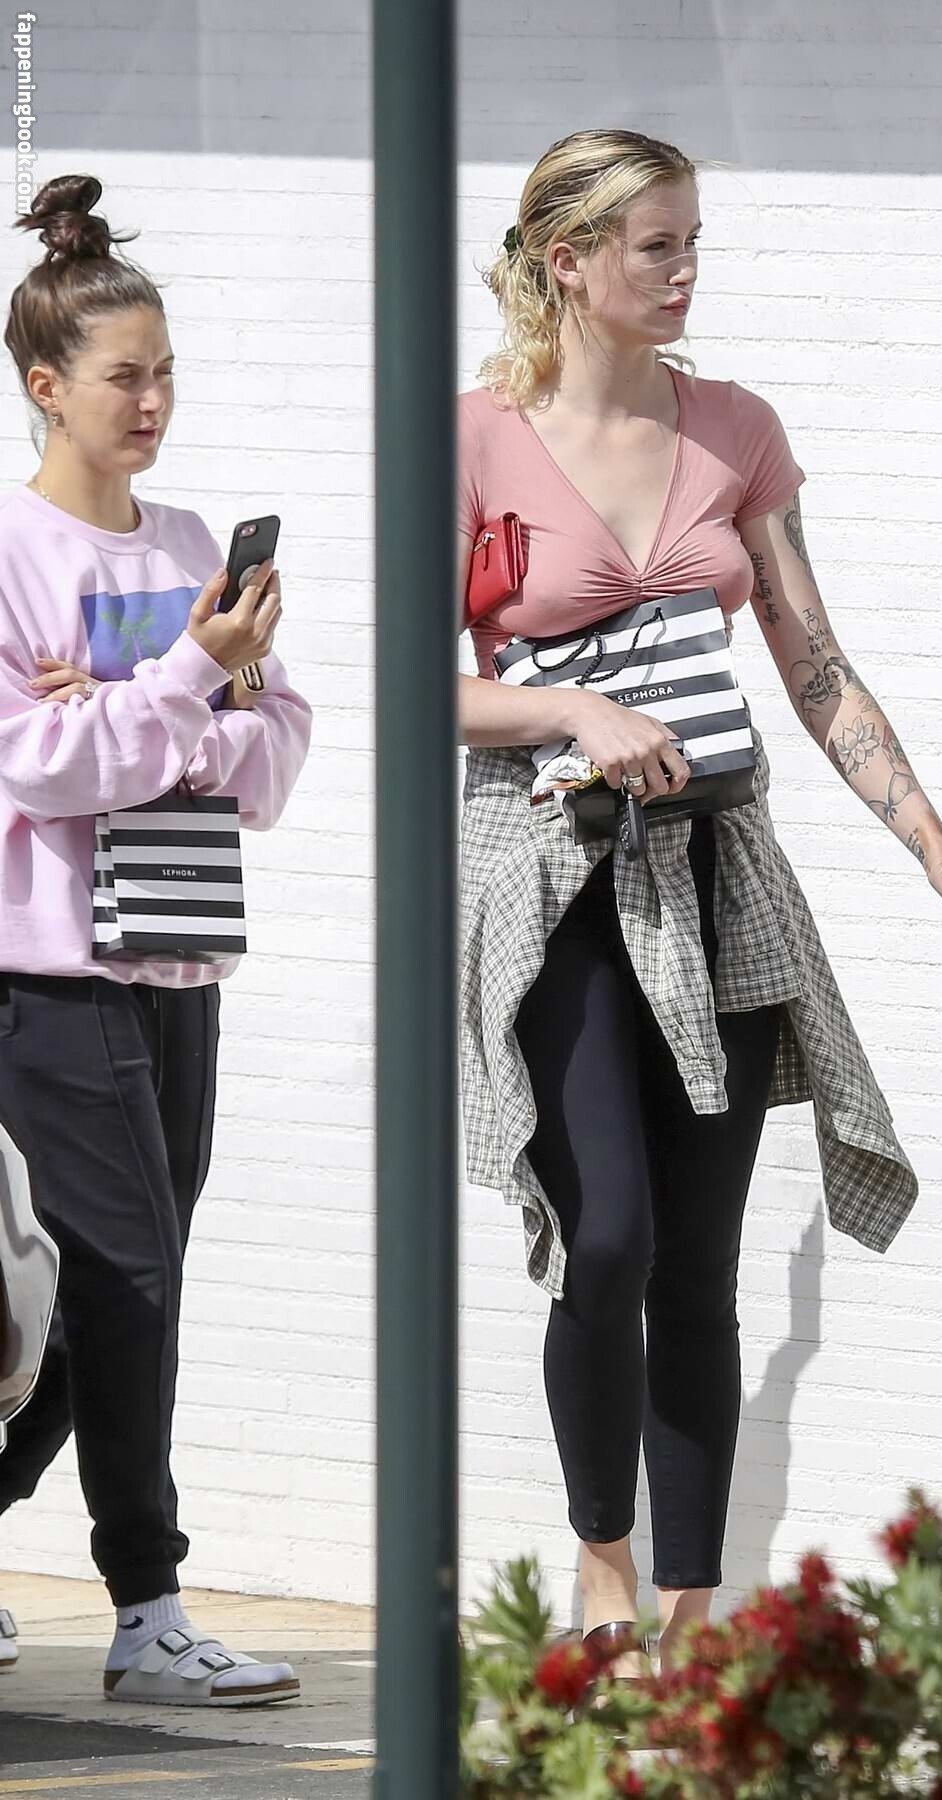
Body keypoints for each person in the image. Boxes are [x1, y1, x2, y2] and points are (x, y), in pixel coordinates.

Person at [457, 129, 942, 1675]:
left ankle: (693, 1618)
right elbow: (423, 685)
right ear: (568, 260)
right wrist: (574, 711)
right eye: (657, 243)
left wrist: (935, 847)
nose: (686, 268)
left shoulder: (737, 430)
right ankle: (604, 1562)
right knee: (610, 1238)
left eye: (694, 239)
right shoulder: (476, 441)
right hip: (558, 883)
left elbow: (814, 667)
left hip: (717, 872)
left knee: (699, 1264)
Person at [0, 174, 311, 1705]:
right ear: (43, 384)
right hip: (46, 974)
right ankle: (148, 1609)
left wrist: (173, 705)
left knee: (117, 1290)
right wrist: (188, 685)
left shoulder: (191, 543)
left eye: (167, 373)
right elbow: (34, 767)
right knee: (125, 1279)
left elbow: (273, 756)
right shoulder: (9, 549)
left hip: (179, 955)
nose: (153, 403)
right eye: (124, 375)